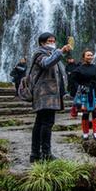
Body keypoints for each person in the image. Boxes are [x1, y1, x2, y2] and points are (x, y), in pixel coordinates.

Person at [29, 32, 72, 162]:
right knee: (46, 123)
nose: (52, 42)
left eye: (54, 40)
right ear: (42, 42)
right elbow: (46, 64)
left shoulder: (50, 53)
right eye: (49, 40)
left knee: (40, 123)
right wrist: (61, 52)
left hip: (50, 94)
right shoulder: (39, 54)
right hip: (45, 94)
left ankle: (35, 154)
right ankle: (45, 153)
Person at [70, 49, 96, 140]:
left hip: (95, 92)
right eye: (88, 55)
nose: (90, 57)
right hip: (84, 92)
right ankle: (85, 133)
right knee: (85, 113)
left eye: (91, 55)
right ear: (83, 57)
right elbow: (73, 81)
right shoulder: (78, 69)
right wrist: (79, 88)